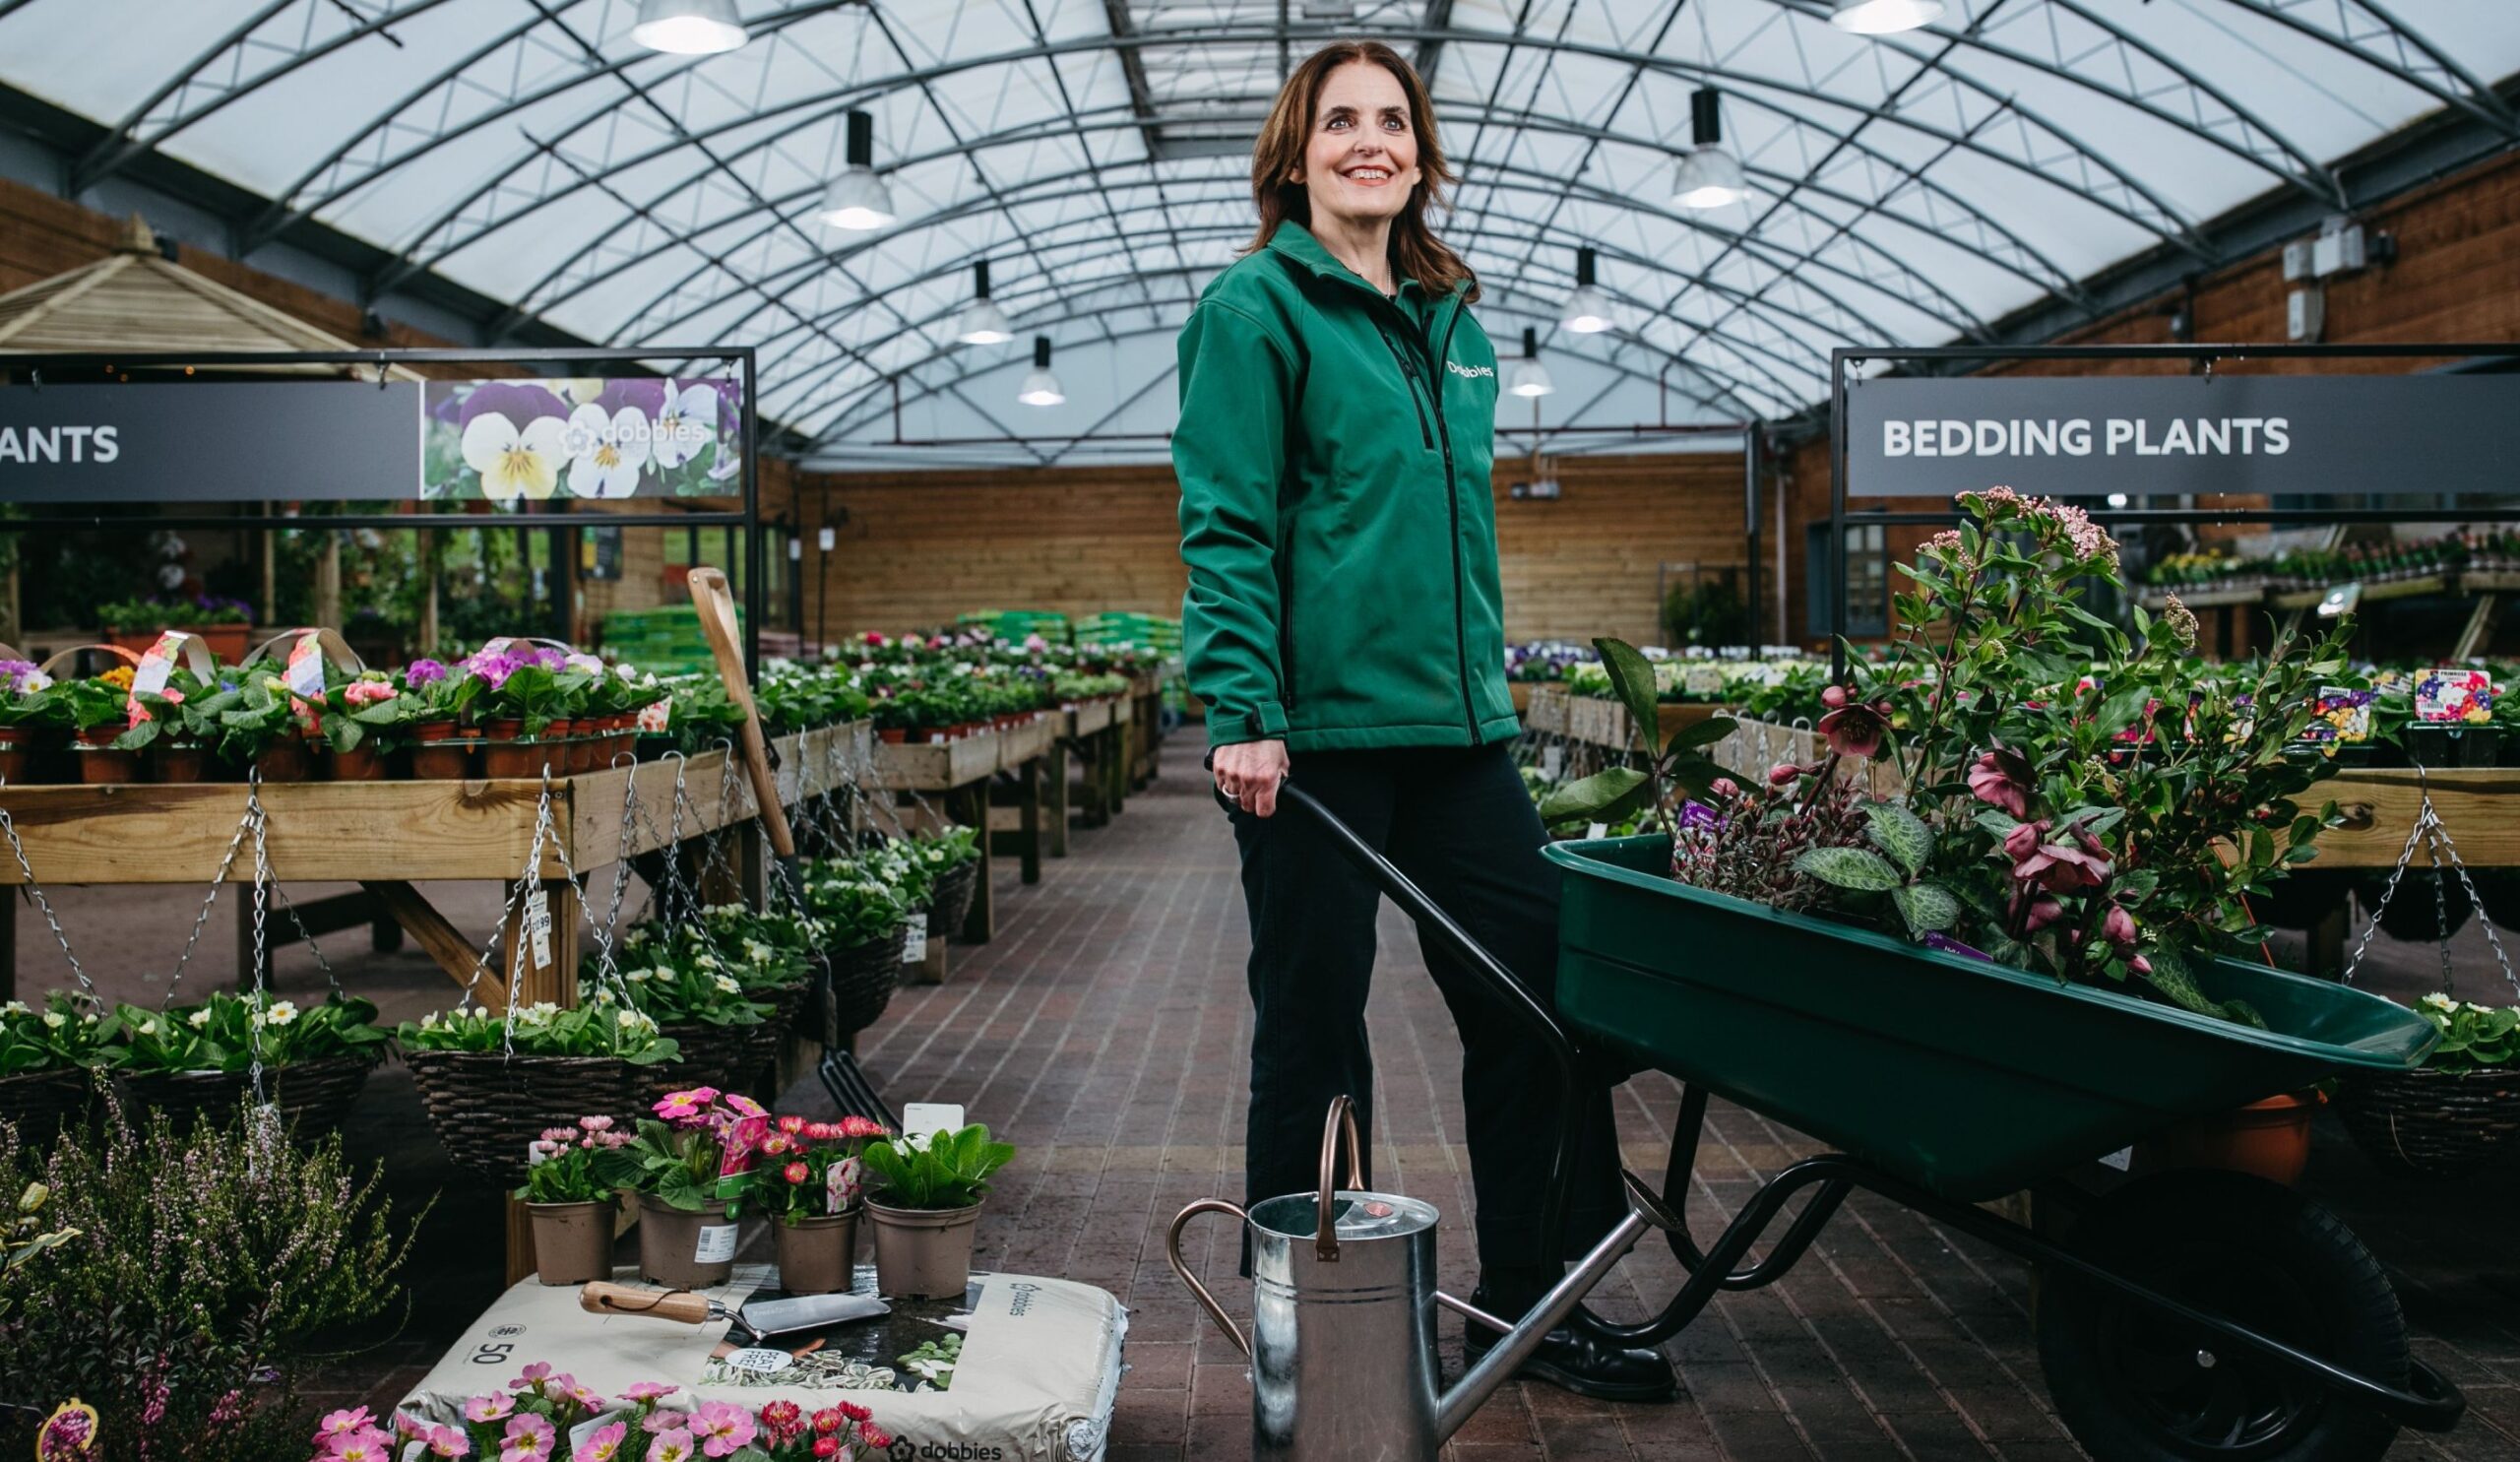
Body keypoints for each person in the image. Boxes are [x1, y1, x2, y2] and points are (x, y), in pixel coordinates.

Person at [1170, 39, 1674, 1402]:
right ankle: (1310, 1325)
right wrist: (1244, 708)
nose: (1369, 141)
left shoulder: (1453, 321)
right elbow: (1226, 522)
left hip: (1459, 738)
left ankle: (1536, 1304)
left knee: (1537, 1005)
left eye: (1393, 120)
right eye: (1341, 121)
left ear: (1420, 151)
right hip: (1314, 742)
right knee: (1316, 1033)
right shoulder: (1256, 310)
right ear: (1295, 151)